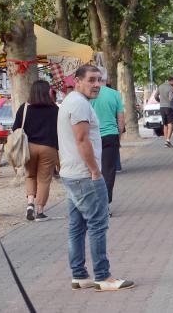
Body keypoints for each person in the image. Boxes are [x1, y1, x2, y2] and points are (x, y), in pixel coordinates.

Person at [57, 65, 134, 291]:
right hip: (83, 175)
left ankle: (79, 275)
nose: (97, 84)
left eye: (99, 80)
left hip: (72, 173)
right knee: (98, 224)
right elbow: (82, 140)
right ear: (77, 81)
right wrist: (94, 170)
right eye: (91, 80)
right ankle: (103, 276)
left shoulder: (72, 101)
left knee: (77, 226)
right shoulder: (79, 104)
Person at [13, 80, 59, 222]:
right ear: (47, 92)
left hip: (29, 148)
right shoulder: (54, 109)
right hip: (48, 148)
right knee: (44, 179)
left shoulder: (24, 108)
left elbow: (15, 128)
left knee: (30, 176)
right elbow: (60, 131)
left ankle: (30, 204)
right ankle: (40, 211)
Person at [90, 74, 125, 213]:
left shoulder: (90, 95)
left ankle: (93, 202)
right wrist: (119, 137)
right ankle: (105, 203)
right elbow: (121, 120)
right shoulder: (115, 94)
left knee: (93, 169)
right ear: (106, 79)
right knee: (108, 171)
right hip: (110, 135)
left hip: (92, 136)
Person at [155, 76, 173, 148]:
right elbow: (171, 98)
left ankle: (166, 141)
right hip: (169, 107)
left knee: (165, 124)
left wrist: (159, 101)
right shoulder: (171, 88)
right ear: (172, 81)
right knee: (170, 124)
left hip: (162, 107)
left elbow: (156, 95)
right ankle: (168, 140)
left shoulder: (160, 86)